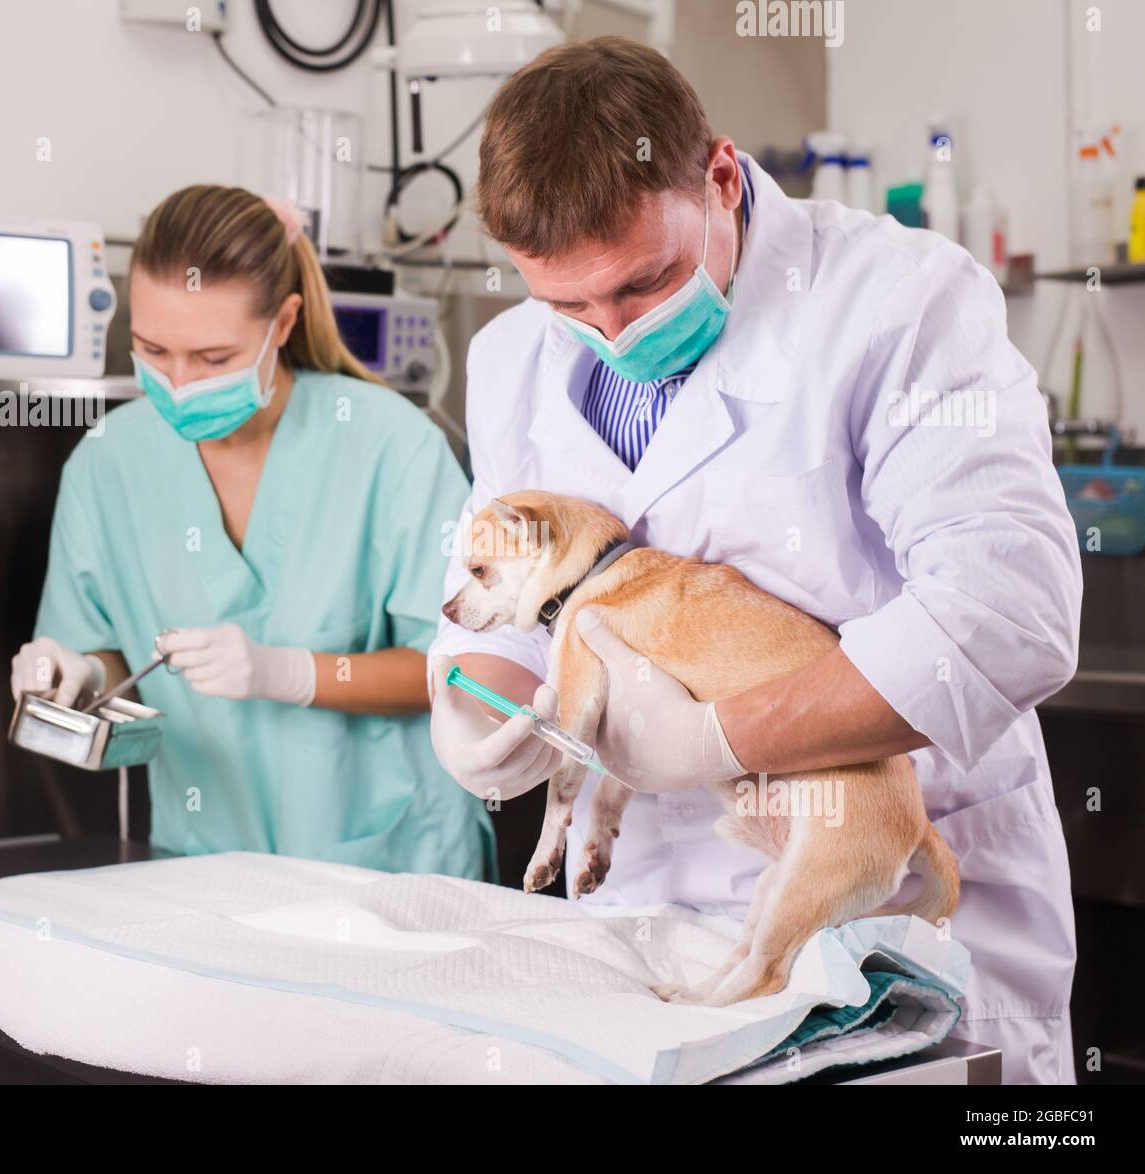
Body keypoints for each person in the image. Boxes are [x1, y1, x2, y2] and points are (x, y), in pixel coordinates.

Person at [428, 37, 1081, 1083]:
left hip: (894, 894)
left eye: (643, 283)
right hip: (647, 910)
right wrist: (482, 717)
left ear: (720, 178)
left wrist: (716, 737)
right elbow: (496, 609)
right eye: (566, 304)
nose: (606, 329)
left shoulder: (899, 301)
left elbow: (1004, 613)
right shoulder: (511, 361)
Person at [12, 184, 493, 878]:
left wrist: (288, 673)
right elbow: (107, 651)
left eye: (213, 359)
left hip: (392, 864)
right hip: (208, 862)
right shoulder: (107, 463)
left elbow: (458, 672)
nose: (178, 383)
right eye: (153, 350)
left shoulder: (391, 446)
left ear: (284, 322)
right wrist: (79, 675)